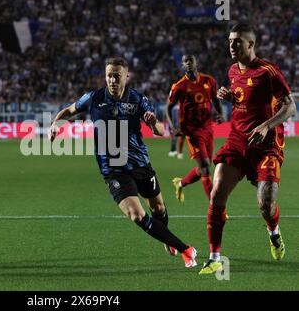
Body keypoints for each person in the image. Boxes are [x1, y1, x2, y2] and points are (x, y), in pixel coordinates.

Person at [48, 57, 197, 268]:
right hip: (113, 169)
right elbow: (69, 111)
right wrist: (55, 123)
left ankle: (167, 239)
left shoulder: (137, 99)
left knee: (159, 208)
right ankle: (186, 249)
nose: (112, 80)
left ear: (126, 77)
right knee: (137, 215)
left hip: (140, 164)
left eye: (116, 76)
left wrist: (155, 124)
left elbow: (161, 131)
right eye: (109, 75)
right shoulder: (94, 97)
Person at [199, 24, 296, 274]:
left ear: (251, 44)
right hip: (237, 140)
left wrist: (266, 126)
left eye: (237, 41)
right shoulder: (232, 71)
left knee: (265, 204)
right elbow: (244, 96)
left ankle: (273, 233)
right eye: (230, 41)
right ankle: (215, 257)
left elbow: (289, 107)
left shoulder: (268, 71)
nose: (231, 45)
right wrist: (231, 98)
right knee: (217, 192)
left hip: (266, 145)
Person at [166, 55, 224, 204]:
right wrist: (172, 127)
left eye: (190, 60)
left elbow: (216, 100)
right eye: (185, 61)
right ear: (183, 65)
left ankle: (180, 183)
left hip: (207, 128)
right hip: (191, 131)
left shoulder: (209, 81)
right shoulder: (179, 86)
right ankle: (216, 206)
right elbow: (169, 107)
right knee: (205, 167)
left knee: (204, 167)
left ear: (196, 62)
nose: (188, 63)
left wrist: (220, 114)